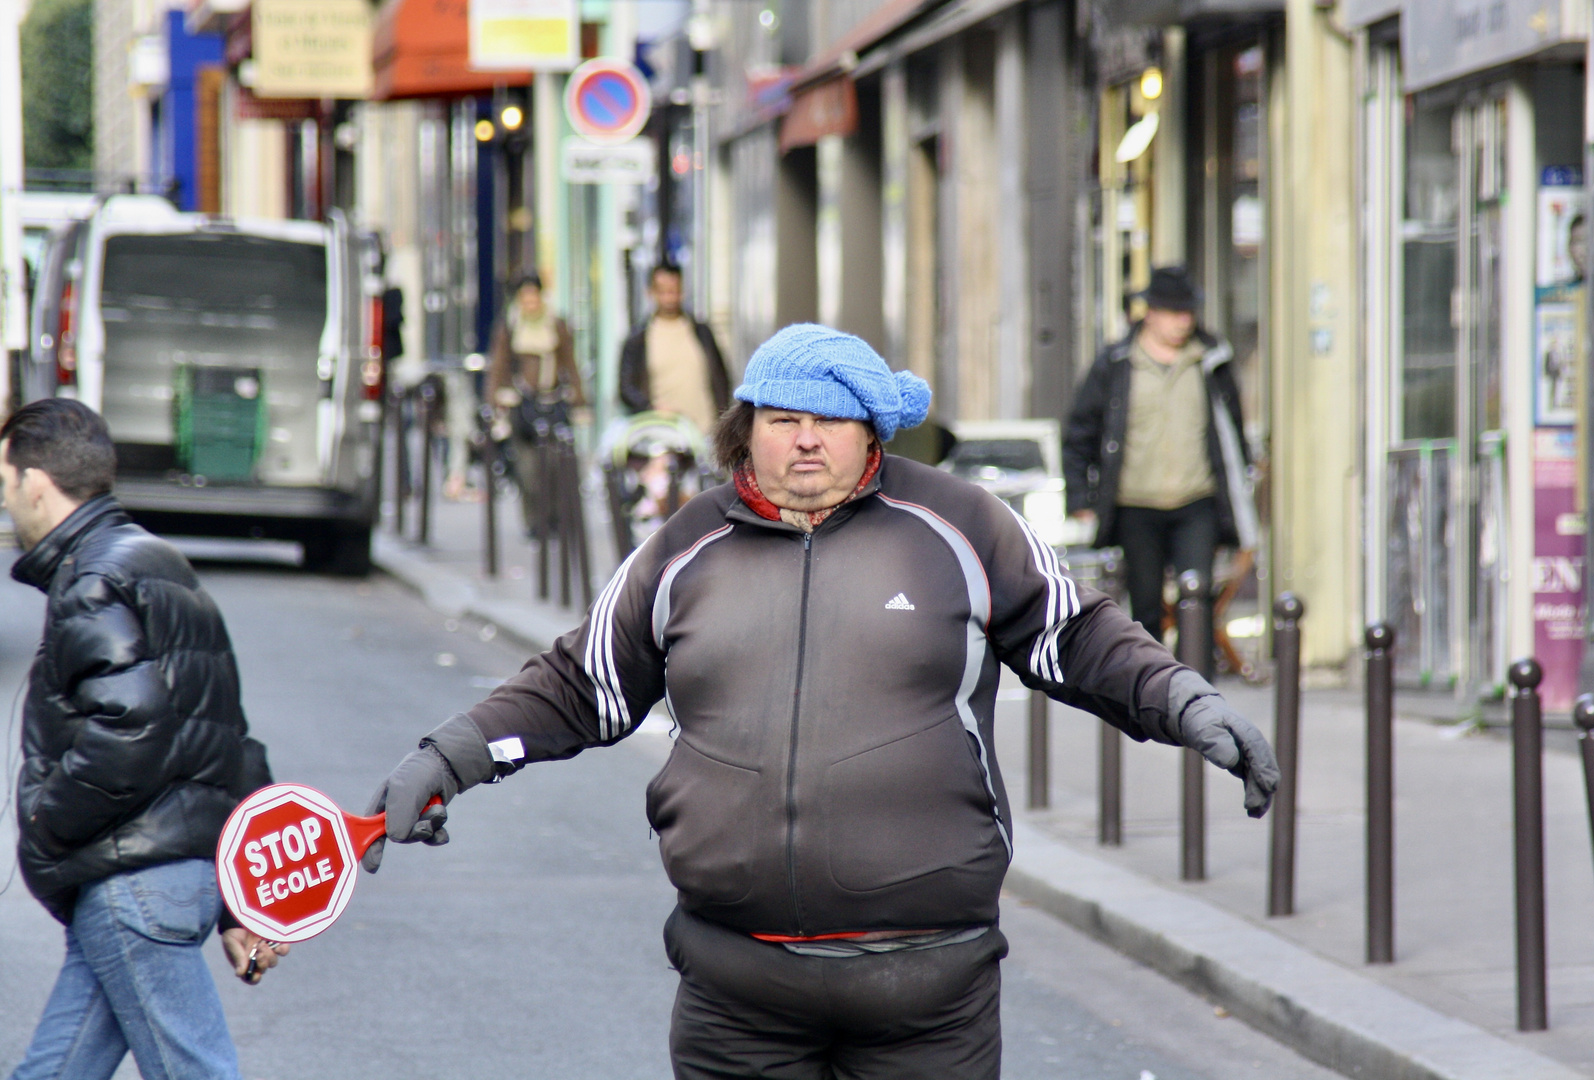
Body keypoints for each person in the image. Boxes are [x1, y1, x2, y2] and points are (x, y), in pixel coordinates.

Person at [361, 324, 1279, 1079]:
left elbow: (1076, 636)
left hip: (928, 999)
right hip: (737, 1000)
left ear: (871, 432)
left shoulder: (958, 525)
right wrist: (450, 757)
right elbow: (578, 684)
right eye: (786, 418)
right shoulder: (686, 548)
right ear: (745, 428)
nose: (807, 439)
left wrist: (1186, 704)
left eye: (832, 422)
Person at [2, 399, 285, 1080]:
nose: (5, 502)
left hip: (132, 887)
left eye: (5, 482)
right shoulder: (159, 564)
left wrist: (45, 824)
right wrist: (242, 896)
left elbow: (127, 732)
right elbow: (227, 739)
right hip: (172, 881)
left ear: (36, 482)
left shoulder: (91, 582)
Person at [1062, 266, 1256, 648]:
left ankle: (1195, 693)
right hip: (1135, 504)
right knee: (1145, 607)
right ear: (1150, 312)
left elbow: (1232, 429)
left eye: (1188, 312)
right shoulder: (1116, 363)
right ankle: (1149, 695)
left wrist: (1241, 484)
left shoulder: (1211, 358)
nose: (1183, 321)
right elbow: (1080, 432)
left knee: (1196, 601)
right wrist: (1081, 498)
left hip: (1197, 500)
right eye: (1174, 312)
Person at [486, 273, 584, 537]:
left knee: (554, 466)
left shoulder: (556, 324)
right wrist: (496, 399)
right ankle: (533, 522)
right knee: (528, 471)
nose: (530, 302)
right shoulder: (510, 325)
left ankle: (555, 519)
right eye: (525, 297)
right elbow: (499, 365)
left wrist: (579, 399)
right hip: (523, 405)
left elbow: (570, 362)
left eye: (534, 295)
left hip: (553, 402)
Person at [618, 263, 732, 431]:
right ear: (651, 293)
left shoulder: (701, 332)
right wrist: (650, 408)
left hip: (705, 433)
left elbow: (721, 378)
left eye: (674, 290)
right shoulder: (638, 340)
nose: (669, 298)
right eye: (662, 291)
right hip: (661, 435)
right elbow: (626, 389)